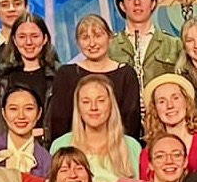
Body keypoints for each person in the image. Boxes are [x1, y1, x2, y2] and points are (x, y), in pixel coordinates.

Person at [50, 12, 142, 143]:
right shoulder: (65, 74)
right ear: (78, 42)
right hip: (76, 151)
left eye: (98, 36)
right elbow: (59, 121)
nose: (92, 43)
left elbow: (131, 122)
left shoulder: (126, 74)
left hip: (118, 149)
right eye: (85, 37)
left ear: (110, 38)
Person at [51, 73, 141, 182]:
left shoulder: (131, 146)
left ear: (111, 105)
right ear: (78, 107)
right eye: (86, 102)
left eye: (101, 100)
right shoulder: (61, 145)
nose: (93, 107)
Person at [0, 13, 56, 142]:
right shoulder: (1, 77)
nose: (28, 42)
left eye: (34, 36)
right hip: (7, 154)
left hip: (50, 153)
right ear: (14, 40)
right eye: (22, 37)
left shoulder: (59, 76)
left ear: (45, 39)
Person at [108, 0, 183, 86]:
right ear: (122, 5)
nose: (137, 3)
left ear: (153, 3)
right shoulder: (110, 46)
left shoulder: (174, 44)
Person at [138, 72, 197, 178]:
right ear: (155, 109)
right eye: (162, 101)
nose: (170, 105)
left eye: (175, 98)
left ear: (186, 102)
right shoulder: (148, 154)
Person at [0, 85, 52, 176]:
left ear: (39, 113)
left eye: (29, 109)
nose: (21, 116)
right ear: (4, 113)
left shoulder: (47, 160)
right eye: (13, 109)